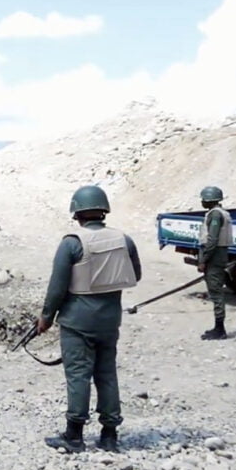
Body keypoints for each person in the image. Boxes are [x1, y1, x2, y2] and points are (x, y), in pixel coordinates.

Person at [37, 185, 142, 454]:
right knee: (106, 375)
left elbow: (57, 287)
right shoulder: (124, 240)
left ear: (77, 213)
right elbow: (135, 275)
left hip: (77, 322)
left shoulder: (72, 243)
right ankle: (109, 435)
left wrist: (46, 317)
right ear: (103, 210)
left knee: (78, 376)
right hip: (109, 322)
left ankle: (74, 435)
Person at [197, 186, 232, 340]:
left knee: (216, 292)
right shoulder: (218, 213)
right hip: (218, 254)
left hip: (214, 256)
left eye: (203, 199)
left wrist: (203, 260)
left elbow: (212, 240)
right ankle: (218, 327)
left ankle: (220, 329)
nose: (202, 202)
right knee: (215, 290)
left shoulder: (216, 215)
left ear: (209, 200)